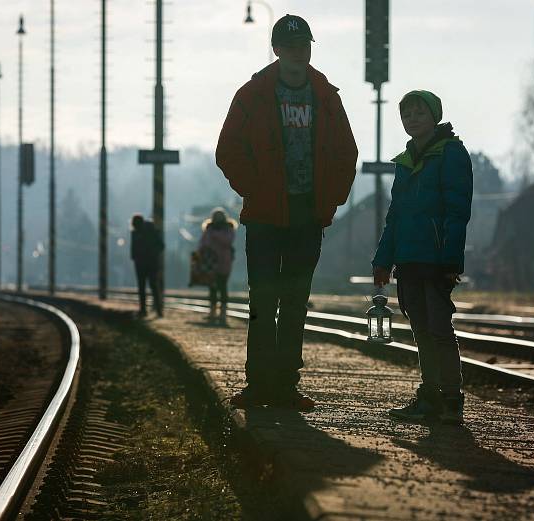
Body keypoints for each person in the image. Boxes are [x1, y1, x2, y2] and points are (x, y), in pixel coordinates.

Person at [216, 14, 357, 411]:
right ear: (276, 49)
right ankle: (259, 385)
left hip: (306, 217)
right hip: (263, 216)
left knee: (295, 301)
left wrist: (329, 203)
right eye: (291, 46)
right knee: (264, 300)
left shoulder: (326, 95)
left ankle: (286, 386)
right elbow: (227, 150)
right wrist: (255, 189)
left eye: (305, 45)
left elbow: (348, 153)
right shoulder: (253, 94)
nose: (299, 53)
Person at [371, 90, 473, 424]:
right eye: (407, 115)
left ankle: (451, 399)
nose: (412, 119)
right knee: (420, 329)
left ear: (435, 115)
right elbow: (395, 215)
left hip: (436, 258)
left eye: (419, 112)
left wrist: (451, 260)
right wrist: (383, 259)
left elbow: (458, 212)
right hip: (408, 259)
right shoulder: (404, 161)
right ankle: (430, 396)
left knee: (440, 327)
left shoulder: (451, 154)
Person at [198, 207, 238, 325]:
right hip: (210, 262)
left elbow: (228, 241)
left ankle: (223, 314)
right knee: (212, 288)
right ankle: (213, 312)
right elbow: (202, 243)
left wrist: (215, 235)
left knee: (222, 287)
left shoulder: (228, 229)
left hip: (224, 263)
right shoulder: (208, 229)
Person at [130, 213, 164, 317]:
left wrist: (135, 257)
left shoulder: (136, 233)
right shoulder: (152, 230)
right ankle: (158, 311)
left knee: (143, 287)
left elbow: (133, 249)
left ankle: (144, 310)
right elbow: (161, 245)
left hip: (142, 263)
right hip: (151, 263)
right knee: (154, 286)